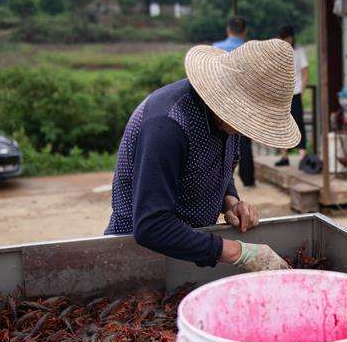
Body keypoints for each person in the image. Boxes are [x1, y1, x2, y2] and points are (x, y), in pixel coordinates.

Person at [105, 39, 301, 273]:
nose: (244, 129)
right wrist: (239, 253)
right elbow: (151, 226)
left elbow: (219, 165)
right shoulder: (167, 124)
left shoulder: (228, 123)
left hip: (195, 248)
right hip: (142, 260)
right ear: (225, 98)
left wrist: (230, 201)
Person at [213, 16, 256, 188]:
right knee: (244, 141)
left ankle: (218, 184)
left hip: (219, 104)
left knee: (218, 143)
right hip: (245, 103)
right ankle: (248, 178)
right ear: (245, 31)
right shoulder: (249, 50)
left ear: (227, 29)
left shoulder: (215, 49)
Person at [274, 25, 309, 167]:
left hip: (295, 92)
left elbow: (305, 71)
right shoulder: (277, 52)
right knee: (281, 124)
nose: (284, 40)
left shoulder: (299, 51)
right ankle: (284, 156)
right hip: (281, 94)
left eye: (286, 38)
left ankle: (302, 155)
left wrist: (303, 88)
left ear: (291, 38)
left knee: (298, 122)